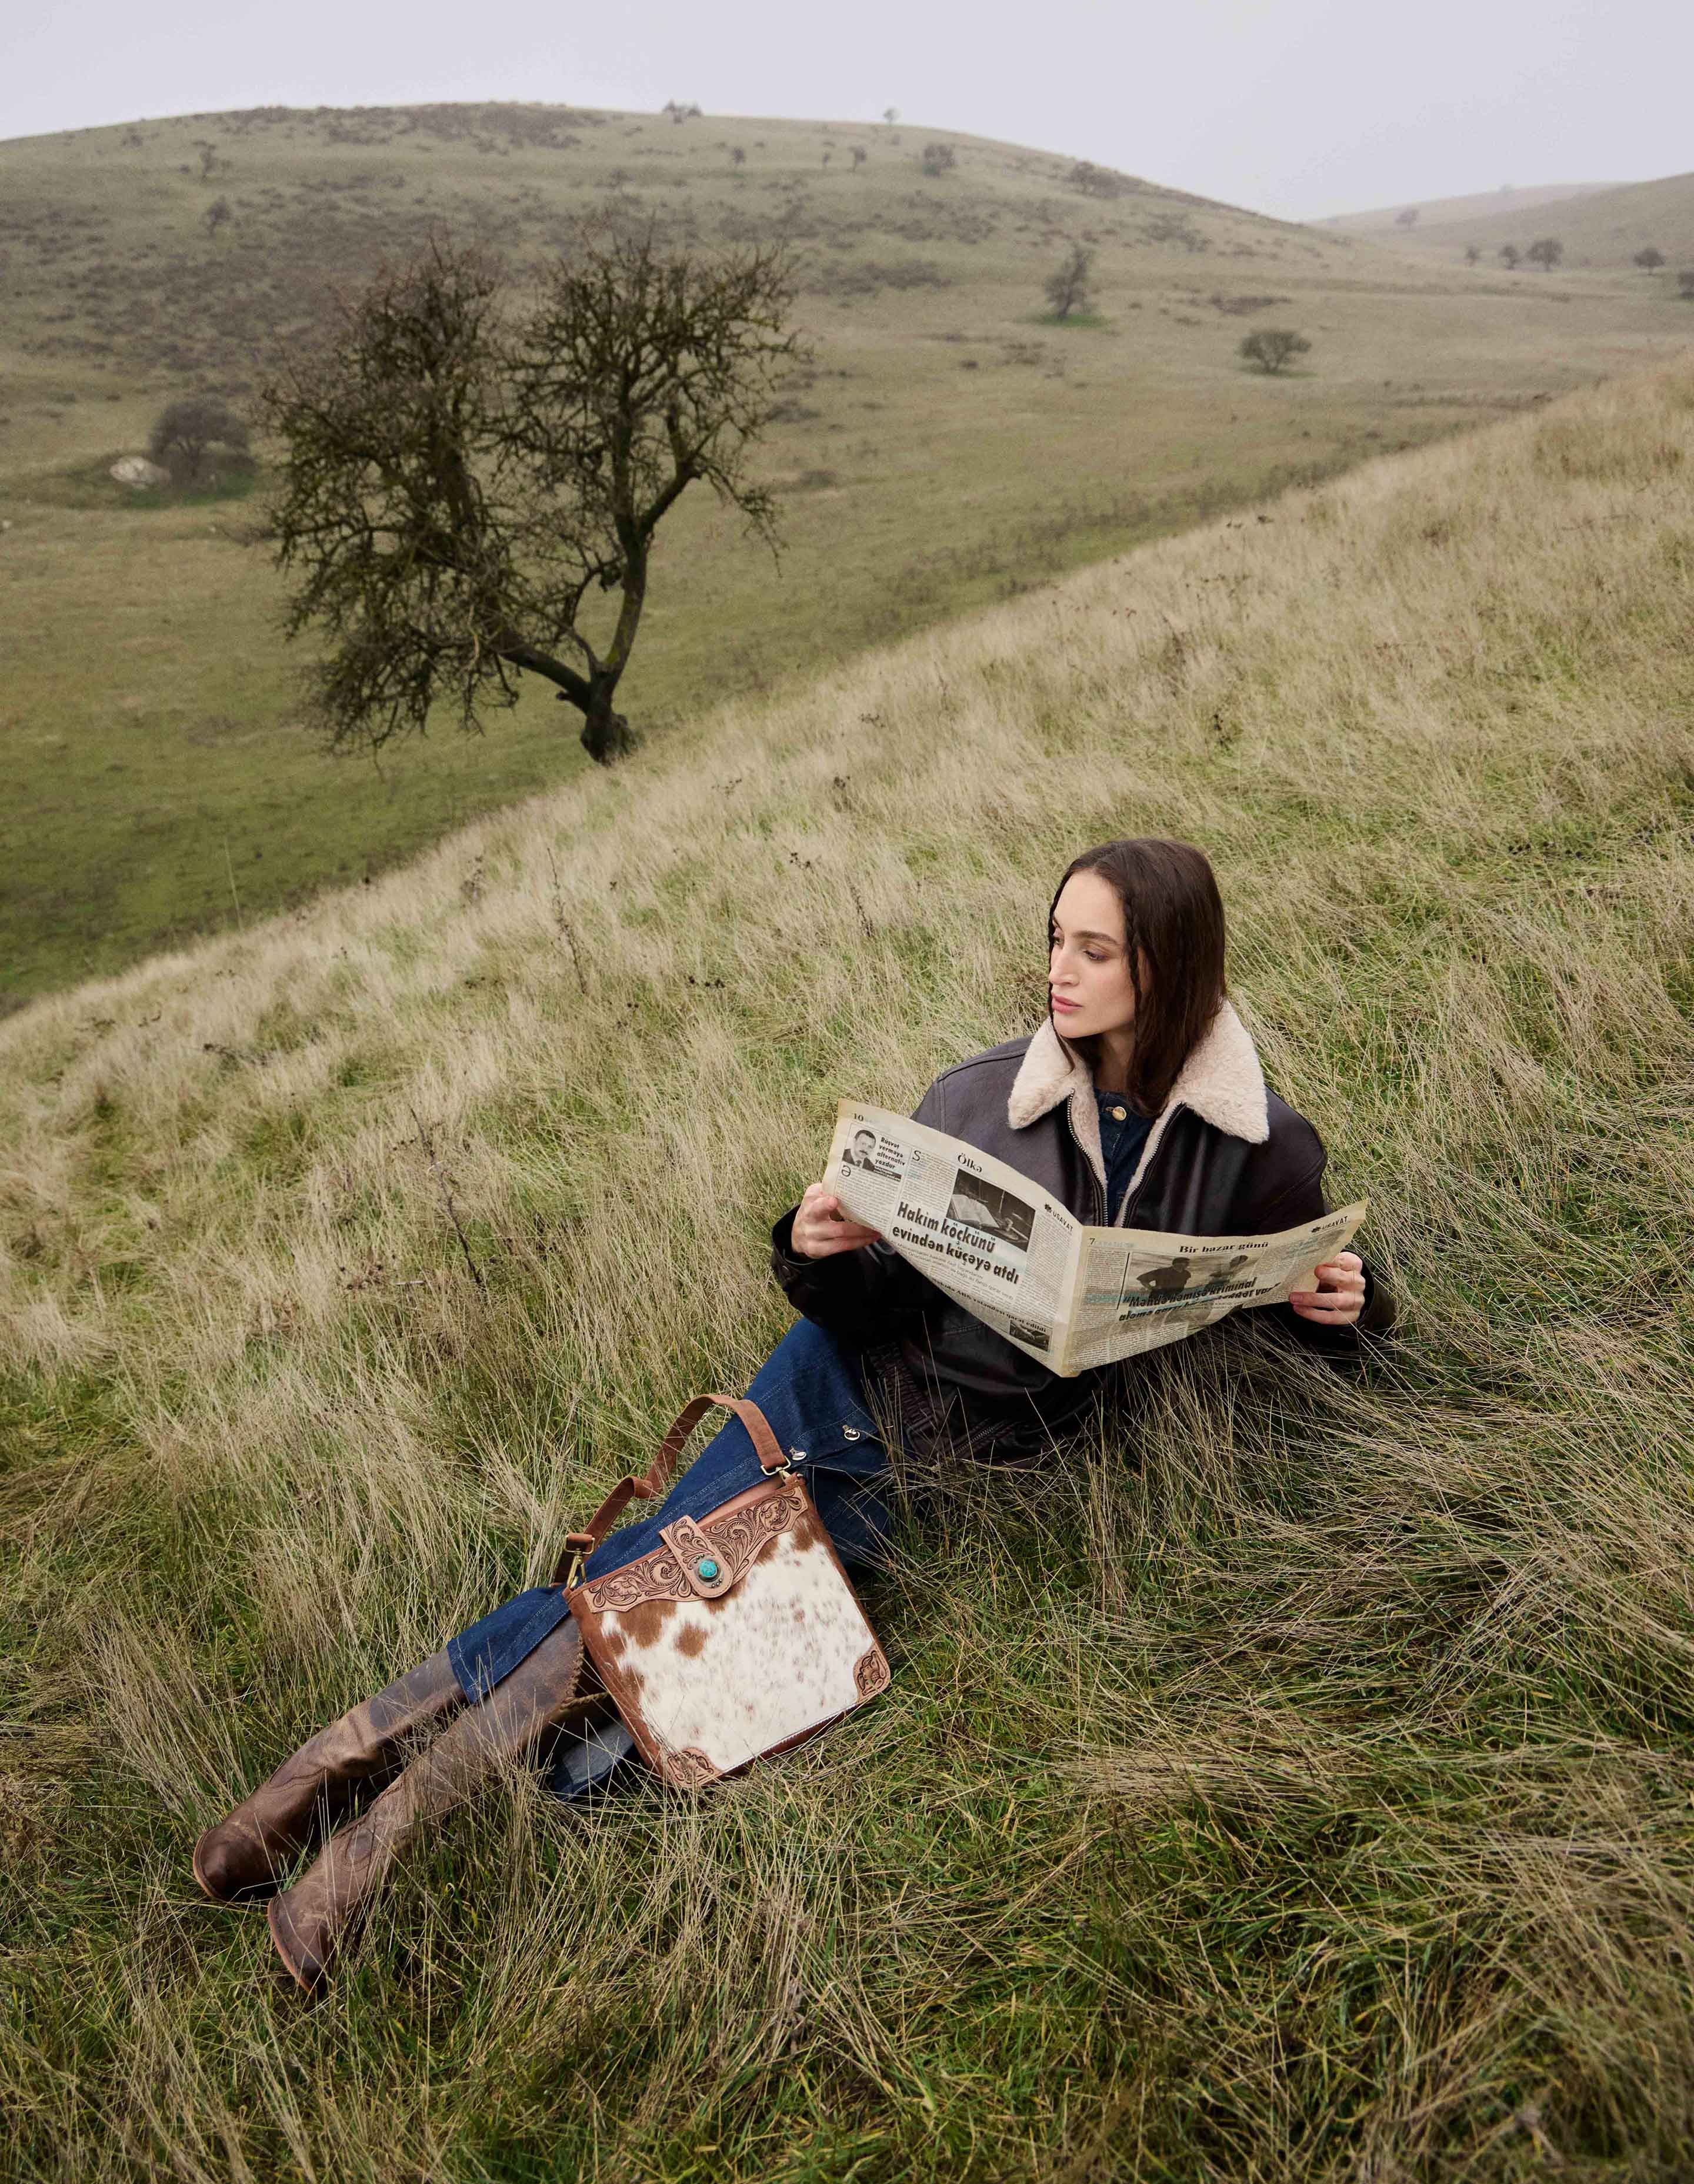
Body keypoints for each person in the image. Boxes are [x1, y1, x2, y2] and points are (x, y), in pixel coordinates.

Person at [193, 837, 1393, 1990]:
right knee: (641, 1597)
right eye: (1054, 939)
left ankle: (324, 1788)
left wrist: (1341, 1303)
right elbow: (862, 1293)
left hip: (959, 1459)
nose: (1057, 971)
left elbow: (1288, 1289)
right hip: (840, 1383)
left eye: (1093, 950)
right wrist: (814, 1247)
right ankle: (354, 1843)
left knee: (667, 1628)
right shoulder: (981, 1100)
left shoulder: (1258, 1147)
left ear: (1166, 968)